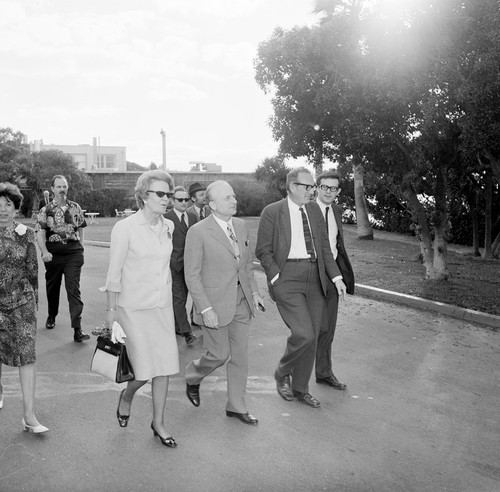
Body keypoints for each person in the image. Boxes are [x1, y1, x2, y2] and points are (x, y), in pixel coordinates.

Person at [255, 167, 346, 408]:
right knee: (303, 333)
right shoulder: (272, 212)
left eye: (312, 186)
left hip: (315, 276)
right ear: (293, 187)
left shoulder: (314, 210)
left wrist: (336, 278)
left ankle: (300, 388)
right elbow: (263, 250)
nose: (312, 191)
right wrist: (276, 277)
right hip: (288, 278)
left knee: (313, 336)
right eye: (308, 187)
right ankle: (282, 371)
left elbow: (325, 248)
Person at [105, 170, 179, 448]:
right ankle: (127, 395)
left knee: (165, 366)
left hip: (161, 307)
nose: (166, 199)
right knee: (144, 371)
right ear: (143, 197)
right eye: (160, 194)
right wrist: (110, 312)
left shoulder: (168, 227)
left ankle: (158, 422)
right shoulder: (125, 228)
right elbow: (114, 272)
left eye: (168, 194)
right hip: (132, 309)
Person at [184, 180, 264, 425]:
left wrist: (254, 293)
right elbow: (192, 275)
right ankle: (193, 376)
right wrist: (205, 308)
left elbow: (246, 265)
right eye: (228, 198)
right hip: (214, 305)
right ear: (212, 204)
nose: (234, 201)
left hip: (241, 302)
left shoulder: (240, 226)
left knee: (240, 356)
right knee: (219, 355)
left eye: (234, 196)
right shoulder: (197, 232)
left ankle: (236, 406)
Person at [0, 182, 49, 433]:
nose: (3, 210)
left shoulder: (26, 234)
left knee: (27, 355)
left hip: (21, 304)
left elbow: (33, 272)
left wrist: (34, 305)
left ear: (16, 208)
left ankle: (29, 416)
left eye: (8, 205)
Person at [35, 175, 90, 342]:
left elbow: (80, 227)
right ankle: (52, 315)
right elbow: (40, 232)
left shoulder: (75, 207)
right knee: (53, 288)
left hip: (73, 253)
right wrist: (44, 251)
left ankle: (77, 329)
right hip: (53, 255)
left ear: (67, 188)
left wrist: (81, 246)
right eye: (58, 187)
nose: (62, 189)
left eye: (64, 186)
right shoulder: (46, 210)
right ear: (52, 189)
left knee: (73, 289)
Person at [315, 172, 355, 390]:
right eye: (325, 187)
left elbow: (336, 244)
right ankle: (290, 373)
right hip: (310, 276)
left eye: (334, 188)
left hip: (332, 276)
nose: (329, 192)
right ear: (317, 188)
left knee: (328, 328)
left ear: (338, 191)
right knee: (308, 330)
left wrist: (339, 274)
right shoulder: (307, 210)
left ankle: (323, 373)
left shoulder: (337, 211)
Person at [164, 186, 197, 345]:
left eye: (186, 199)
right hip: (174, 265)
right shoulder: (165, 218)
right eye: (180, 200)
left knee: (186, 298)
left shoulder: (193, 217)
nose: (184, 202)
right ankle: (186, 331)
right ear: (172, 200)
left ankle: (178, 326)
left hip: (192, 265)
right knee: (179, 298)